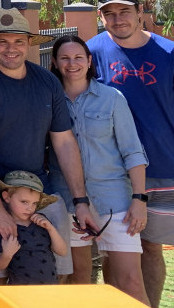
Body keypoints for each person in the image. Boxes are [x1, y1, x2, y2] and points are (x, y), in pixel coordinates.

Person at [0, 8, 94, 305]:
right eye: (3, 42)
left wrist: (80, 200)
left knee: (58, 270)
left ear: (29, 43)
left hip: (39, 193)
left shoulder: (47, 82)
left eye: (18, 41)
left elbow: (65, 142)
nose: (11, 49)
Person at [87, 0, 174, 308]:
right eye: (109, 13)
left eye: (125, 11)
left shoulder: (168, 53)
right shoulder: (90, 53)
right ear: (100, 17)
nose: (118, 18)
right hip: (109, 172)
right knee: (113, 248)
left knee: (152, 247)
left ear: (140, 12)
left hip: (163, 167)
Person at [47, 35, 149, 303]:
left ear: (89, 61)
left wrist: (139, 199)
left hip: (115, 200)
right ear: (55, 63)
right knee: (80, 278)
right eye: (65, 58)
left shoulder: (112, 98)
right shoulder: (48, 99)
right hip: (66, 200)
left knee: (129, 282)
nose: (72, 64)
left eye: (79, 57)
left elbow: (133, 151)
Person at [0, 172, 66, 285]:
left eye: (34, 203)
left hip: (49, 288)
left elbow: (62, 251)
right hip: (21, 291)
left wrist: (51, 229)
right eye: (24, 202)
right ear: (7, 197)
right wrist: (6, 255)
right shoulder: (4, 227)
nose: (30, 208)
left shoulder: (41, 222)